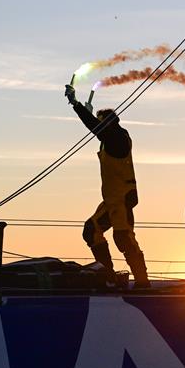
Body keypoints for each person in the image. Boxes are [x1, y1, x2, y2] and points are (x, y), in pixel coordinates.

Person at [64, 84, 150, 288]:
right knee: (91, 230)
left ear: (108, 123)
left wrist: (77, 105)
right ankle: (107, 276)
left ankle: (142, 282)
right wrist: (88, 114)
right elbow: (98, 129)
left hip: (121, 199)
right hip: (111, 200)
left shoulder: (118, 138)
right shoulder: (110, 137)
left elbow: (98, 130)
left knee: (123, 237)